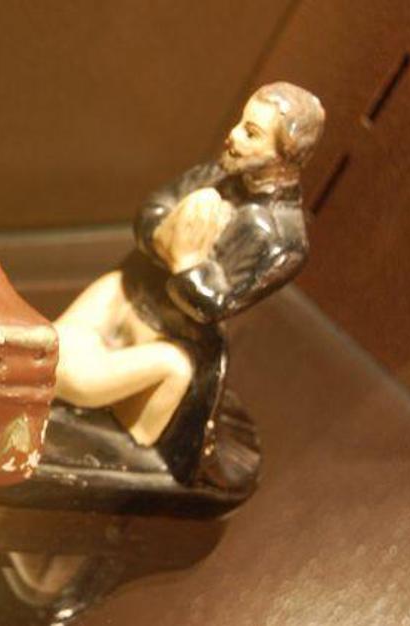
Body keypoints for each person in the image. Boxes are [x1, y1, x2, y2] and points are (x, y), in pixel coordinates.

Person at [54, 82, 325, 446]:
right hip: (130, 291)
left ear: (285, 155)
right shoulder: (215, 175)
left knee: (77, 378)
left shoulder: (281, 239)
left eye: (251, 132)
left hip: (172, 337)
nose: (233, 135)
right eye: (240, 123)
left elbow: (214, 304)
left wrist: (186, 261)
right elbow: (151, 210)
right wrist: (165, 235)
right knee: (47, 352)